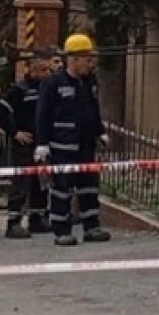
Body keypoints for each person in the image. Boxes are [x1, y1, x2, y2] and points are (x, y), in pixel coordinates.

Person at [35, 33, 110, 246]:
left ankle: (92, 227)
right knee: (61, 190)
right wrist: (42, 144)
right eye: (87, 59)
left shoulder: (89, 82)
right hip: (62, 146)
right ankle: (62, 231)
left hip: (86, 145)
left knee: (89, 187)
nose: (90, 63)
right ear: (73, 59)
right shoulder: (53, 83)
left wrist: (100, 131)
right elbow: (42, 115)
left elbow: (94, 109)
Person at [0, 48, 55, 238]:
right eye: (43, 70)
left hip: (42, 143)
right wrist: (14, 133)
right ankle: (13, 222)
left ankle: (37, 218)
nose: (47, 74)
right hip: (25, 144)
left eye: (48, 70)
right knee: (21, 182)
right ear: (32, 70)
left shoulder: (47, 88)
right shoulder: (20, 90)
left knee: (41, 182)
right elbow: (0, 111)